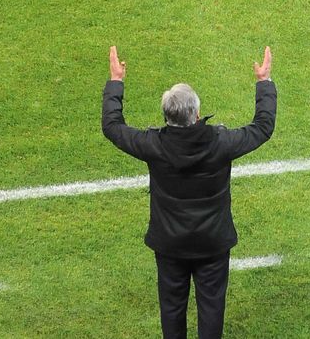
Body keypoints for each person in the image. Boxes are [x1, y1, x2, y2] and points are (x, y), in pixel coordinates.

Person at [101, 45, 277, 339]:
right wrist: (264, 83)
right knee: (211, 308)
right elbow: (262, 127)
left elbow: (112, 126)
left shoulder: (153, 145)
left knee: (171, 310)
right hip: (212, 242)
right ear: (196, 113)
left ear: (166, 115)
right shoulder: (221, 142)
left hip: (170, 244)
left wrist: (116, 82)